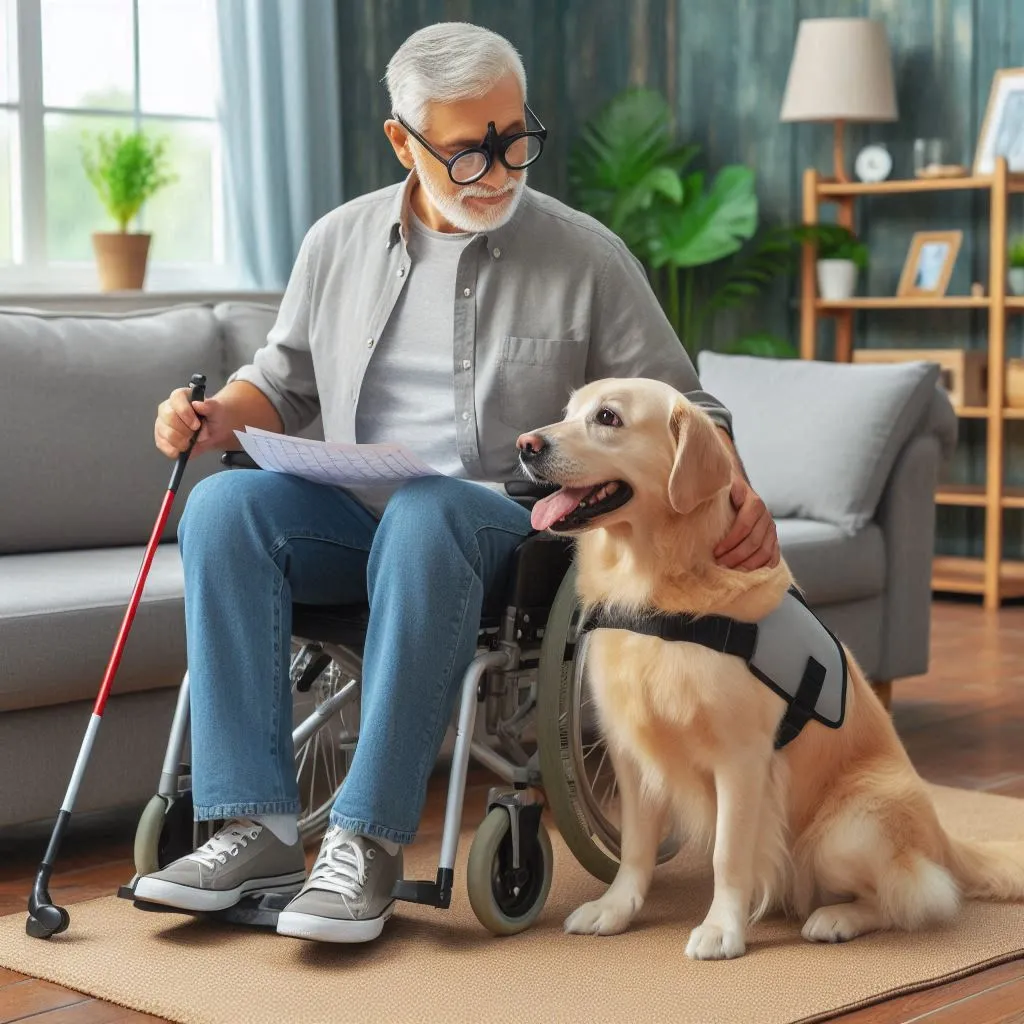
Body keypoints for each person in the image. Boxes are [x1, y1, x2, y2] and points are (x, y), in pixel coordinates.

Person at [138, 21, 780, 945]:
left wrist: (737, 495)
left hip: (504, 535)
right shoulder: (337, 242)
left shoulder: (586, 256)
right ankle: (254, 825)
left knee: (430, 510)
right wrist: (211, 420)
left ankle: (364, 840)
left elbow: (691, 408)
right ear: (404, 141)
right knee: (226, 505)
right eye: (470, 150)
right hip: (356, 523)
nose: (503, 168)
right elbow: (279, 385)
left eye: (517, 138)